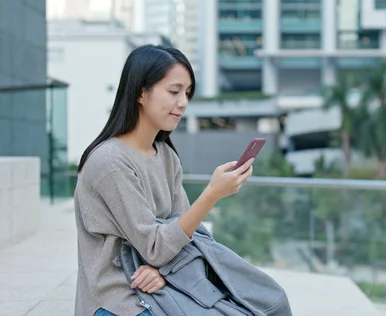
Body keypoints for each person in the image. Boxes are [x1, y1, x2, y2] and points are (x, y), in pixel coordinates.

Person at [73, 45, 254, 316]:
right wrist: (212, 194)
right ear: (141, 93)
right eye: (174, 91)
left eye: (187, 93)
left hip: (161, 288)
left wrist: (163, 273)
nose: (183, 102)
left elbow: (185, 234)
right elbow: (155, 247)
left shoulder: (166, 155)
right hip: (119, 300)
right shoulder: (111, 163)